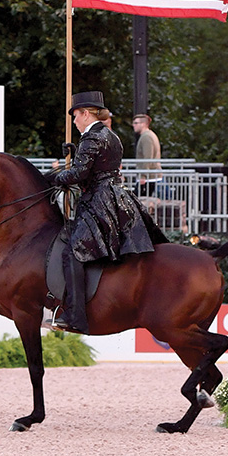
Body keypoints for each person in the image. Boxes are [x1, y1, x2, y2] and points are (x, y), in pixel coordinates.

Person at [48, 91, 162, 333]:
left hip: (98, 201)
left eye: (76, 116)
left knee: (73, 252)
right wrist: (76, 151)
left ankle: (75, 316)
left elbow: (80, 175)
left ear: (87, 114)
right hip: (117, 197)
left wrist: (55, 177)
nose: (75, 121)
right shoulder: (110, 136)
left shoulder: (91, 138)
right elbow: (96, 164)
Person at [132, 112, 164, 197]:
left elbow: (147, 157)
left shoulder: (146, 137)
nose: (133, 125)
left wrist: (143, 175)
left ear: (143, 124)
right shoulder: (149, 135)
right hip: (150, 176)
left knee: (138, 201)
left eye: (136, 123)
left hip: (149, 177)